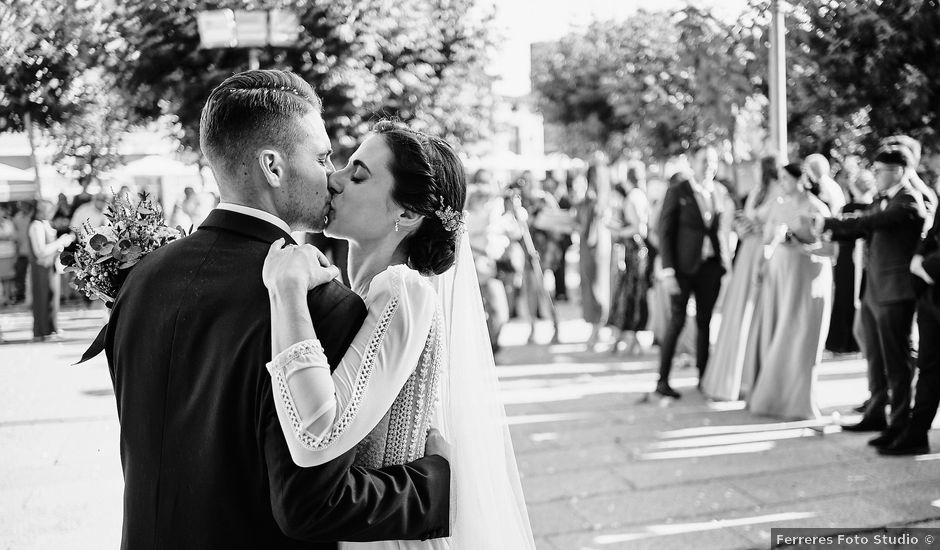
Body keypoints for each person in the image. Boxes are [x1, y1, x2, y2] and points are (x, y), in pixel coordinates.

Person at [104, 70, 451, 549]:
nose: (332, 176)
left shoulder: (142, 279)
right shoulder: (320, 306)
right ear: (272, 166)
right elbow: (312, 504)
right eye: (323, 157)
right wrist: (438, 488)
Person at [263, 120, 535, 549]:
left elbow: (318, 435)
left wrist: (287, 292)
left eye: (358, 175)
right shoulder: (370, 293)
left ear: (406, 214)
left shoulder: (402, 290)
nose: (332, 180)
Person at [817, 147, 927, 448]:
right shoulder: (884, 200)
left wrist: (828, 224)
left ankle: (900, 423)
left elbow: (871, 224)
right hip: (875, 289)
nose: (875, 175)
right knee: (877, 359)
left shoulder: (908, 201)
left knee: (897, 362)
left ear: (900, 171)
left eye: (881, 170)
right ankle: (877, 413)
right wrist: (830, 230)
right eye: (875, 169)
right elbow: (861, 227)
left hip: (895, 292)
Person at [748, 163, 835, 420]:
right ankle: (773, 398)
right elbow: (767, 240)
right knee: (777, 333)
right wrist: (761, 266)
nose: (782, 182)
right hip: (779, 277)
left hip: (807, 279)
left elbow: (830, 252)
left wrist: (800, 244)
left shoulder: (818, 208)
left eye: (786, 178)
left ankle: (798, 401)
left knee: (800, 336)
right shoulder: (777, 204)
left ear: (802, 180)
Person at [654, 146, 732, 398]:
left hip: (710, 267)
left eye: (712, 161)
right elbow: (664, 233)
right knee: (677, 322)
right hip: (682, 268)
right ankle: (663, 380)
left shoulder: (719, 192)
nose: (708, 165)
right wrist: (668, 271)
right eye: (703, 160)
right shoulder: (678, 191)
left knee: (705, 322)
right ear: (692, 163)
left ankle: (704, 377)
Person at [701, 156, 780, 401]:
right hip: (747, 251)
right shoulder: (756, 191)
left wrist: (760, 229)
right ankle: (735, 376)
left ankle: (752, 376)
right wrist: (743, 227)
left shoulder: (777, 191)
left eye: (757, 166)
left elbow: (778, 225)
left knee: (758, 312)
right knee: (739, 311)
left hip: (764, 252)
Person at [885, 207, 940, 454]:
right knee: (928, 367)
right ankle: (916, 433)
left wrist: (928, 266)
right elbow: (932, 232)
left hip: (933, 276)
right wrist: (919, 259)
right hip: (931, 296)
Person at [827, 168, 876, 354]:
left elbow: (837, 234)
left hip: (851, 259)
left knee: (846, 297)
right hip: (854, 260)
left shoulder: (862, 210)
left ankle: (843, 342)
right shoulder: (873, 209)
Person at [607, 165, 651, 354]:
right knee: (631, 293)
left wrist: (618, 231)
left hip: (633, 251)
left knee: (628, 293)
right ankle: (628, 339)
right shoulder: (640, 195)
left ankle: (629, 338)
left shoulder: (633, 197)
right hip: (637, 251)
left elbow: (639, 228)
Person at [576, 157, 612, 348]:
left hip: (594, 245)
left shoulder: (594, 199)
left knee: (594, 287)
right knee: (597, 286)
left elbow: (587, 225)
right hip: (599, 245)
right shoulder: (602, 198)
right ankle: (597, 330)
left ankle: (597, 331)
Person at [28, 200, 74, 340]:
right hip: (41, 267)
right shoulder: (36, 226)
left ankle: (51, 329)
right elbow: (40, 251)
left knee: (52, 297)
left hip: (51, 266)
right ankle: (42, 331)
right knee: (43, 298)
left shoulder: (45, 224)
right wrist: (60, 242)